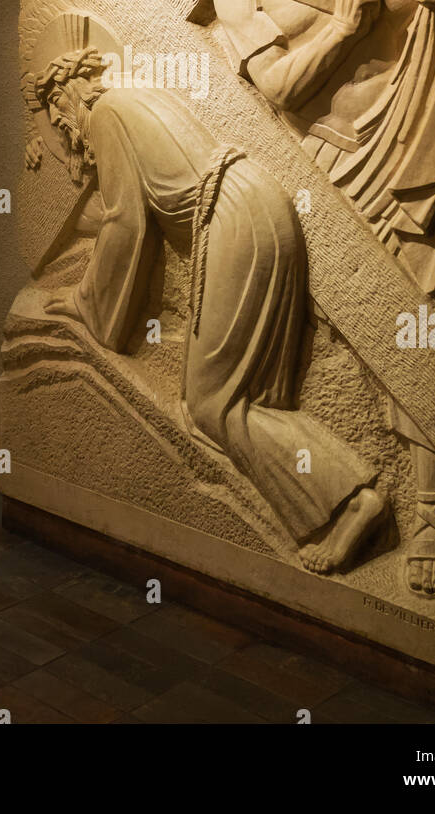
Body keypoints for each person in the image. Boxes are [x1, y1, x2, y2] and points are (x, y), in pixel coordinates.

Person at [192, 0, 435, 596]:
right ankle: (361, 495)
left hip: (410, 132)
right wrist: (348, 28)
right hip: (326, 163)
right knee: (364, 328)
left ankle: (434, 512)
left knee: (421, 310)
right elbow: (281, 89)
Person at [34, 45, 386, 572]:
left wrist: (86, 305)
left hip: (231, 221)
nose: (60, 125)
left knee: (211, 404)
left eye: (56, 110)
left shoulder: (105, 113)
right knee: (252, 394)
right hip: (257, 204)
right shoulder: (137, 96)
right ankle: (332, 498)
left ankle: (351, 501)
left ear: (67, 96)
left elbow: (125, 222)